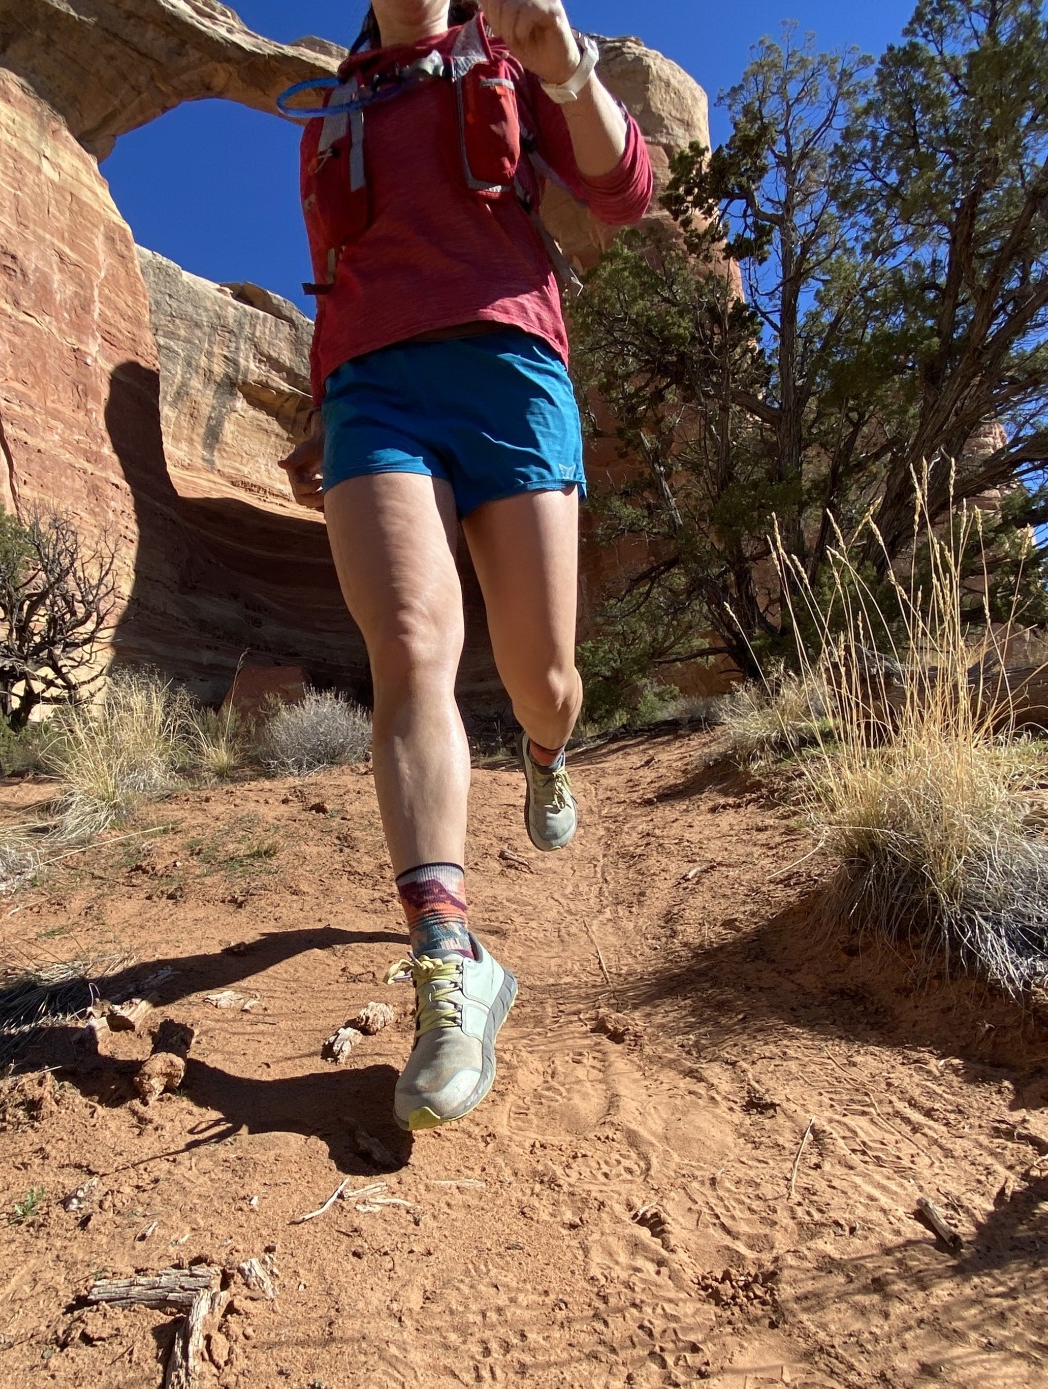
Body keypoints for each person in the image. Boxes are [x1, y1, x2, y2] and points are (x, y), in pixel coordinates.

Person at [278, 0, 652, 1131]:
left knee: (545, 679)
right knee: (408, 647)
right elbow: (341, 268)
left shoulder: (513, 45)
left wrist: (566, 71)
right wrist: (323, 405)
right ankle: (451, 955)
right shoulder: (334, 102)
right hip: (373, 394)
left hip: (511, 372)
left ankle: (545, 754)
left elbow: (624, 193)